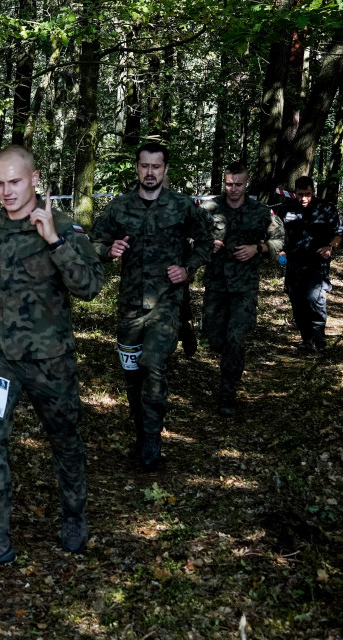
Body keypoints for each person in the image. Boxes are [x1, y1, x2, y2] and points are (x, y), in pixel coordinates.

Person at [0, 145, 103, 575]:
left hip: (50, 360)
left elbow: (91, 287)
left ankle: (75, 515)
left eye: (15, 181)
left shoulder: (63, 227)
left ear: (35, 178)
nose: (6, 191)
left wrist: (54, 241)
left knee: (65, 439)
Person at [89, 142, 213, 469]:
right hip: (130, 304)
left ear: (165, 169)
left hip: (167, 302)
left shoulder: (183, 206)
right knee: (131, 374)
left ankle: (152, 445)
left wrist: (188, 269)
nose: (150, 172)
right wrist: (108, 250)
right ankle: (141, 432)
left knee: (152, 364)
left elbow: (206, 241)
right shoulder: (119, 208)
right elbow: (94, 242)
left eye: (156, 167)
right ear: (136, 167)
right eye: (144, 166)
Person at [200, 162, 284, 417]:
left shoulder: (260, 211)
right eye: (229, 184)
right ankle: (227, 366)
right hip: (215, 285)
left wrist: (257, 249)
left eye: (238, 184)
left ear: (246, 184)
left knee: (235, 339)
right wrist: (206, 243)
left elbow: (279, 241)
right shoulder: (208, 209)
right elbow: (188, 236)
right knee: (215, 340)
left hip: (244, 288)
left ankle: (228, 395)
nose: (233, 189)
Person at [274, 176, 343, 351]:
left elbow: (339, 233)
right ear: (295, 193)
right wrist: (278, 250)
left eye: (308, 194)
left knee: (315, 298)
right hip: (294, 263)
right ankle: (306, 339)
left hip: (317, 263)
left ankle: (319, 335)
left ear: (313, 192)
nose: (304, 198)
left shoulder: (326, 208)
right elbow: (273, 232)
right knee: (297, 301)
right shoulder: (284, 209)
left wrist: (330, 247)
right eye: (300, 194)